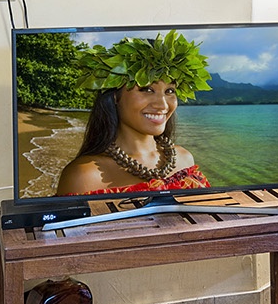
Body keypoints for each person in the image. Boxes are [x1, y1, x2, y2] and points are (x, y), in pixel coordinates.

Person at [56, 30, 213, 195]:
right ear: (115, 96)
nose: (162, 104)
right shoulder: (83, 176)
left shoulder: (185, 160)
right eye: (147, 89)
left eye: (169, 91)